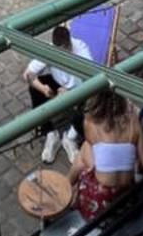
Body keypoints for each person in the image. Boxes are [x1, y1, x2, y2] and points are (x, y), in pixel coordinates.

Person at [72, 87, 143, 220]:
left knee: (83, 151)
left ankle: (67, 191)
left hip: (98, 205)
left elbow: (94, 149)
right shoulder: (133, 122)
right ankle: (71, 189)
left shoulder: (89, 123)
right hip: (127, 200)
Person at [23, 22, 93, 164]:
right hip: (59, 85)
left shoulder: (81, 50)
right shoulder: (50, 50)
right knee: (34, 88)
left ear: (69, 45)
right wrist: (43, 89)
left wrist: (70, 93)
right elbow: (27, 74)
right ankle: (50, 133)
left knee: (90, 99)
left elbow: (91, 81)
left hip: (78, 89)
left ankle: (70, 137)